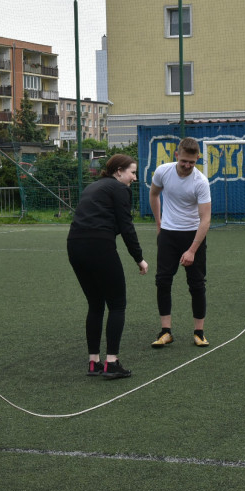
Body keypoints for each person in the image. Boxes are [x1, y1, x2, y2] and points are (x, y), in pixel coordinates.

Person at [67, 154, 149, 380]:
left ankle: (93, 362)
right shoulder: (120, 189)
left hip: (74, 246)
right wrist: (139, 258)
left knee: (95, 305)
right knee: (117, 304)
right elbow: (126, 226)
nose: (134, 177)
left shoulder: (93, 187)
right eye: (132, 172)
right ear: (119, 171)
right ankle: (112, 363)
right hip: (99, 246)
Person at [148, 137, 212, 348]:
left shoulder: (200, 182)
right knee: (163, 281)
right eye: (184, 160)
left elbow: (205, 219)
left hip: (193, 235)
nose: (187, 165)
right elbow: (154, 194)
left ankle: (199, 332)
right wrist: (159, 225)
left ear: (197, 160)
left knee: (196, 285)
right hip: (168, 234)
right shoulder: (163, 171)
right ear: (177, 155)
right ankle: (166, 332)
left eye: (192, 162)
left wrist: (192, 250)